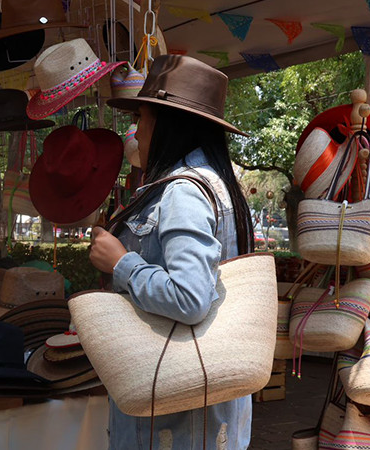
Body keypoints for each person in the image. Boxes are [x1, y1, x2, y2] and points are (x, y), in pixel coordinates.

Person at [90, 55, 255, 449]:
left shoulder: (183, 192)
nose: (136, 132)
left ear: (168, 125)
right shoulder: (215, 184)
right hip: (204, 411)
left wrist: (121, 262)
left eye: (142, 119)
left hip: (176, 423)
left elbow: (190, 297)